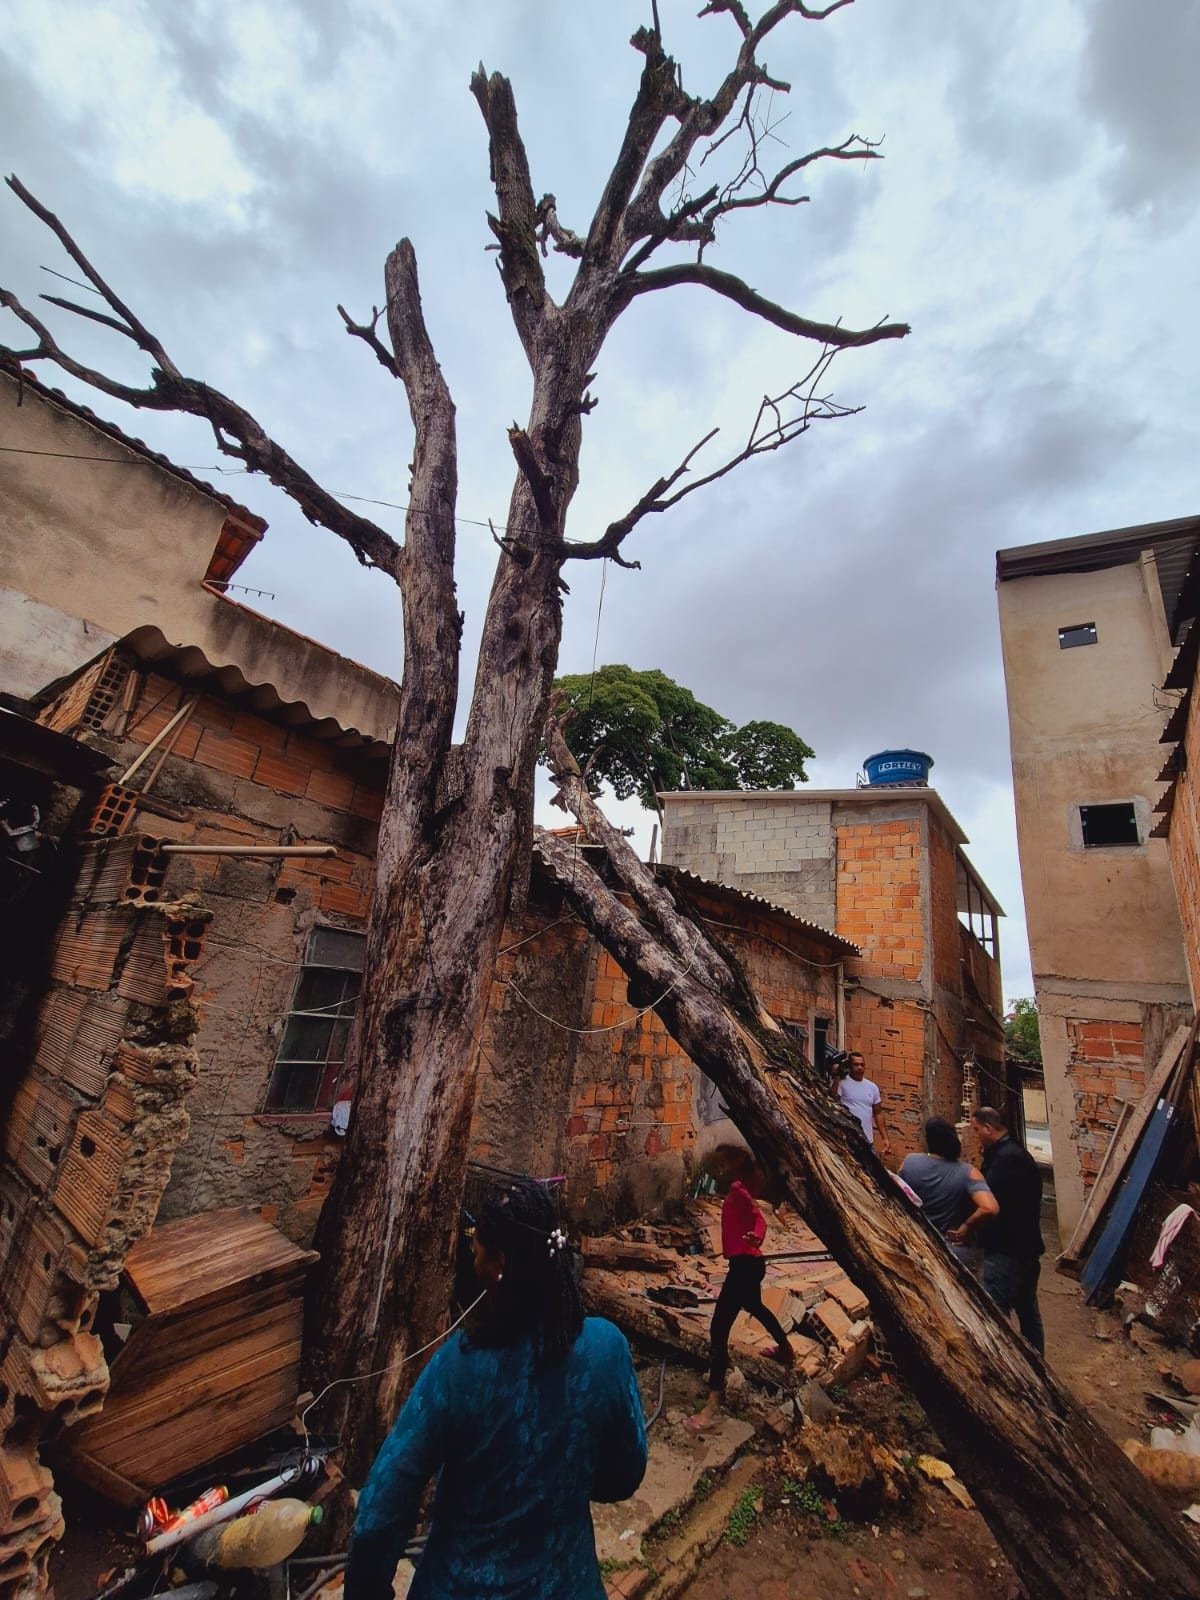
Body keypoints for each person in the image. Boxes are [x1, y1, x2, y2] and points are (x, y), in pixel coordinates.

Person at [344, 1181, 647, 1600]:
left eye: (476, 1251)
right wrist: (561, 1486)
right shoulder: (605, 1350)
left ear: (499, 1263)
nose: (473, 1261)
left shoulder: (459, 1368)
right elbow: (626, 1474)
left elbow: (380, 1511)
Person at [687, 1150, 793, 1433]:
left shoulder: (741, 1192)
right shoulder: (738, 1190)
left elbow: (759, 1220)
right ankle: (786, 1349)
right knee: (755, 1307)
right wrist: (755, 1237)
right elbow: (758, 1218)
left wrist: (756, 1237)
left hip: (745, 1267)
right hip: (748, 1265)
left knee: (719, 1329)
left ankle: (711, 1407)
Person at [971, 1105, 1046, 1354]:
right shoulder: (1015, 1154)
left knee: (994, 1314)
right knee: (1028, 1311)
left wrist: (968, 1226)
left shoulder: (1005, 1160)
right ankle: (1037, 1364)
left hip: (1007, 1252)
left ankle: (1004, 1365)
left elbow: (988, 1203)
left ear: (989, 1129)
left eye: (976, 1130)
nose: (975, 1136)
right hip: (1027, 1248)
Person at [900, 1117, 997, 1265]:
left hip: (917, 1244)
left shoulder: (909, 1162)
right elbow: (990, 1208)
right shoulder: (968, 1172)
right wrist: (967, 1226)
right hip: (953, 1252)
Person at [836, 1052, 893, 1158]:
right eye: (856, 1064)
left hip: (867, 1140)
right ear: (849, 1066)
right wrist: (837, 1076)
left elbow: (878, 1113)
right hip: (848, 1139)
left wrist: (885, 1138)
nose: (859, 1067)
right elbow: (832, 1099)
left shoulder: (872, 1087)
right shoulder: (841, 1083)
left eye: (862, 1065)